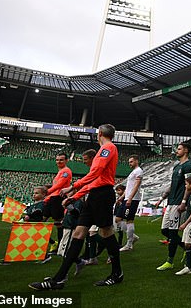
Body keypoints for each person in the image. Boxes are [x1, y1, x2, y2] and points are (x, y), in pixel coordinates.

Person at [29, 123, 123, 290]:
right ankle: (59, 279)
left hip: (102, 195)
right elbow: (94, 180)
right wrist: (76, 195)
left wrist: (73, 187)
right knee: (78, 233)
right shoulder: (105, 149)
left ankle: (117, 274)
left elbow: (95, 175)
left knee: (106, 231)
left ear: (99, 133)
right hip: (95, 195)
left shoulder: (108, 147)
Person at [156, 142, 191, 271]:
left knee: (172, 233)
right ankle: (187, 248)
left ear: (186, 151)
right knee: (164, 231)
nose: (176, 151)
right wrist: (162, 198)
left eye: (179, 149)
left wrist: (183, 202)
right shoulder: (177, 166)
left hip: (178, 203)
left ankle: (169, 261)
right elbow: (172, 185)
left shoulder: (188, 166)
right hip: (170, 202)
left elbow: (189, 186)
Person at [43, 153, 73, 254]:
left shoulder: (66, 171)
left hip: (58, 198)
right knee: (40, 220)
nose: (58, 162)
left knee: (58, 223)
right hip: (52, 198)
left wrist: (47, 191)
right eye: (57, 160)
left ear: (66, 161)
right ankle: (53, 243)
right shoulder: (60, 172)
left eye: (61, 160)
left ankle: (59, 246)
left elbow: (59, 185)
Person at [119, 155, 142, 252]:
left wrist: (130, 198)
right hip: (127, 198)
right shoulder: (133, 172)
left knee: (129, 220)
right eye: (129, 162)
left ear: (136, 161)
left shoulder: (138, 171)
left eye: (131, 161)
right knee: (118, 219)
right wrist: (122, 197)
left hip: (132, 199)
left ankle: (129, 244)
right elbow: (129, 187)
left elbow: (136, 186)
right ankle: (133, 237)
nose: (130, 163)